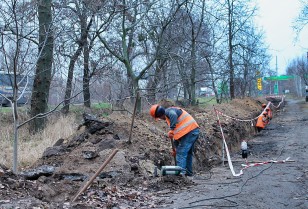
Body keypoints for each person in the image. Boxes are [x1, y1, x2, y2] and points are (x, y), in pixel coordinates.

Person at [149, 104, 200, 176]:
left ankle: (180, 175)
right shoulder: (168, 116)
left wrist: (171, 129)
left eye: (159, 117)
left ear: (159, 115)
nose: (161, 119)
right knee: (188, 153)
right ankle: (188, 173)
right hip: (191, 131)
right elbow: (178, 133)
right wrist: (175, 148)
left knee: (181, 153)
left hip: (190, 131)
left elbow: (174, 116)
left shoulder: (169, 112)